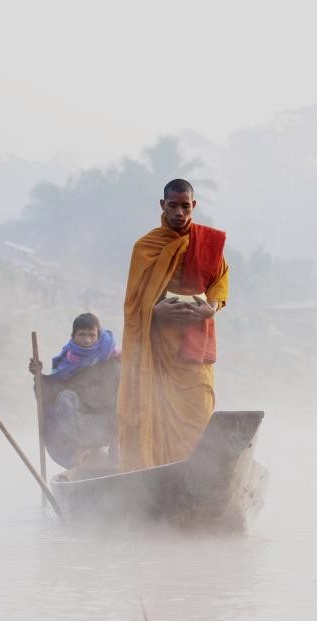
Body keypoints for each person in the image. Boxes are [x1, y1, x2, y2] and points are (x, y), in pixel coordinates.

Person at [117, 178, 228, 471]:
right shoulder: (145, 247)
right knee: (156, 413)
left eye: (185, 206)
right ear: (162, 206)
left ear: (194, 206)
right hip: (158, 350)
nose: (179, 213)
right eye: (173, 206)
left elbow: (219, 280)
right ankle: (158, 477)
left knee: (200, 411)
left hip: (194, 346)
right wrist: (156, 309)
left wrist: (211, 308)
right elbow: (133, 303)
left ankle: (200, 475)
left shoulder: (207, 243)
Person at [29, 312, 121, 468]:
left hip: (110, 418)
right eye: (82, 334)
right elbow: (52, 391)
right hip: (82, 421)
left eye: (92, 335)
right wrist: (38, 376)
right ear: (73, 336)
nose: (87, 340)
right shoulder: (68, 361)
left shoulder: (111, 358)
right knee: (64, 399)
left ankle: (112, 450)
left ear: (98, 335)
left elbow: (124, 390)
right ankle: (83, 451)